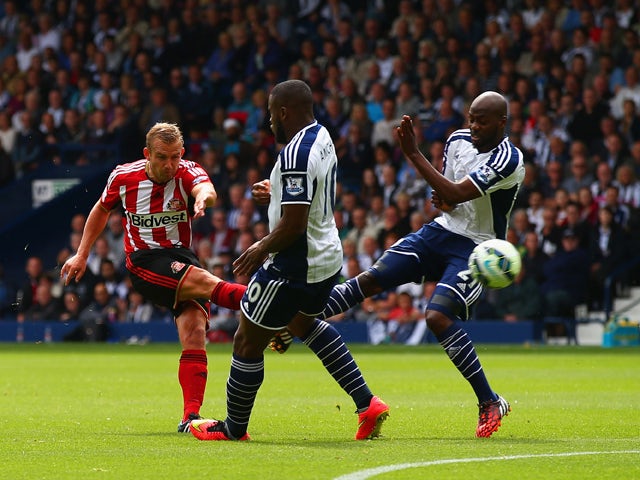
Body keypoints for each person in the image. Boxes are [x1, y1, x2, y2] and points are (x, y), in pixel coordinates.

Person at [274, 91, 524, 438]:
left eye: (482, 121)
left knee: (436, 317)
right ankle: (294, 321)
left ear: (502, 122)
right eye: (471, 118)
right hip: (442, 232)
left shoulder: (509, 159)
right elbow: (448, 200)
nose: (474, 126)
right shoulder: (458, 141)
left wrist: (413, 155)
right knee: (370, 280)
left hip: (478, 247)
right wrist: (445, 200)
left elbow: (454, 192)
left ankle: (489, 401)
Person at [189, 80, 389, 442]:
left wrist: (261, 247)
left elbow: (294, 225)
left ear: (284, 112)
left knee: (246, 342)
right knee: (303, 325)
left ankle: (234, 429)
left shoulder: (295, 154)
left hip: (294, 265)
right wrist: (278, 189)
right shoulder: (323, 135)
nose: (268, 122)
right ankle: (367, 403)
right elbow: (312, 191)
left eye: (270, 114)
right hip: (328, 259)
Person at [60, 122, 246, 432]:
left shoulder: (187, 172)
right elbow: (102, 209)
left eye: (175, 157)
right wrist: (82, 253)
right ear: (148, 154)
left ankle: (190, 417)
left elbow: (206, 188)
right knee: (206, 282)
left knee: (194, 331)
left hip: (182, 257)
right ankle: (267, 304)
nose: (170, 165)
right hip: (144, 261)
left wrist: (203, 199)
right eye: (162, 157)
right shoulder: (124, 176)